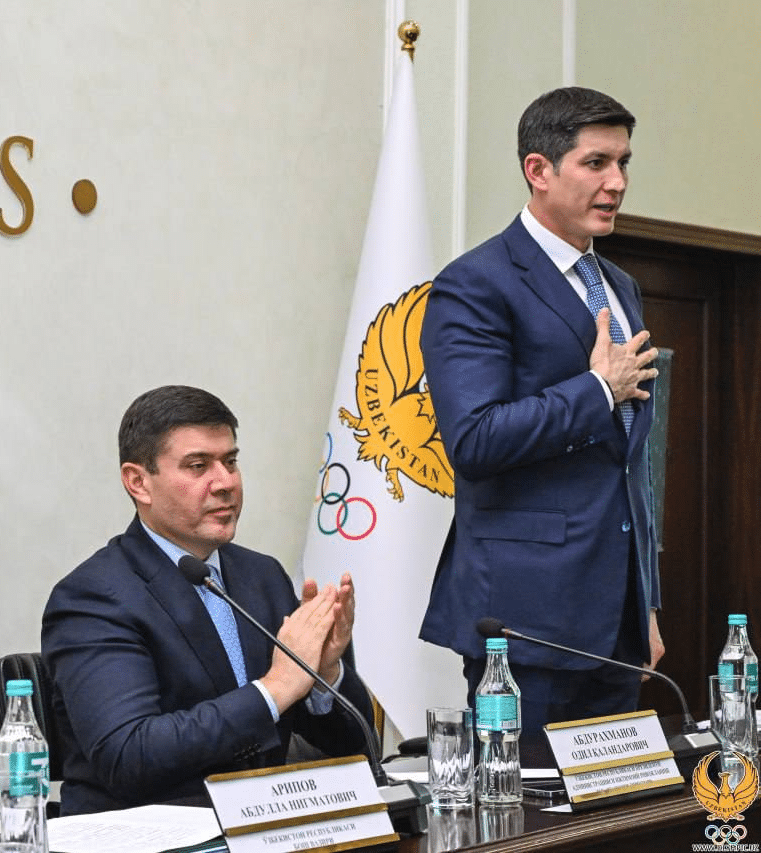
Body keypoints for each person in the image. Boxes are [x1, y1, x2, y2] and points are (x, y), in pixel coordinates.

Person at [419, 87, 663, 763]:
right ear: (539, 170)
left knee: (615, 808)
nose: (617, 182)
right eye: (596, 163)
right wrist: (596, 389)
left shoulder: (619, 284)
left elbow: (628, 463)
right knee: (523, 809)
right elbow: (475, 439)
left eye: (623, 162)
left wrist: (645, 601)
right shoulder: (476, 282)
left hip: (616, 621)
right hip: (526, 621)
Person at [42, 385, 373, 814]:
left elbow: (358, 748)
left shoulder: (262, 577)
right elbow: (129, 755)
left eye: (230, 462)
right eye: (198, 466)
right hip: (147, 836)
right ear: (139, 482)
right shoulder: (94, 597)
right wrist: (274, 689)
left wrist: (324, 676)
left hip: (263, 828)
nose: (226, 483)